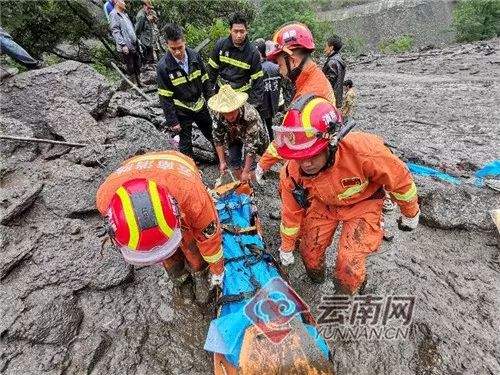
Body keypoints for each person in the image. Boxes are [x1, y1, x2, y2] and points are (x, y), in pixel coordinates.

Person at [274, 95, 420, 294]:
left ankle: (345, 293)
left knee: (348, 265)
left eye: (312, 155)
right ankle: (316, 280)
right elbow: (291, 213)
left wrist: (410, 213)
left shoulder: (364, 152)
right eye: (300, 156)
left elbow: (400, 179)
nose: (305, 163)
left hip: (364, 204)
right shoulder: (292, 172)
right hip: (323, 204)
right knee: (309, 252)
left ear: (332, 143)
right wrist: (287, 245)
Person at [95, 150, 224, 304]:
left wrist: (217, 270)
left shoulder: (192, 196)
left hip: (179, 170)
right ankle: (182, 281)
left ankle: (200, 273)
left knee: (192, 247)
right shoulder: (105, 199)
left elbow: (209, 239)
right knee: (164, 253)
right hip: (140, 170)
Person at [255, 22, 336, 183]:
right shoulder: (315, 78)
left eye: (279, 63)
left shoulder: (307, 96)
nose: (278, 69)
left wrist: (261, 165)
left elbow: (285, 139)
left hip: (314, 162)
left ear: (292, 60)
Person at [156, 23, 215, 160]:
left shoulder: (195, 57)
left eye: (180, 47)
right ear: (167, 45)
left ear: (184, 41)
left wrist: (212, 102)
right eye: (173, 49)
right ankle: (189, 168)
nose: (177, 52)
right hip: (181, 109)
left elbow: (205, 81)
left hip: (199, 104)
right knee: (185, 143)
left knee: (212, 132)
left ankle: (222, 158)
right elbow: (165, 97)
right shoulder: (163, 67)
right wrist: (172, 121)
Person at [208, 84, 269, 183]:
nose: (229, 116)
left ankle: (250, 182)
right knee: (234, 161)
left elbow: (251, 148)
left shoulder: (251, 115)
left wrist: (246, 171)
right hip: (233, 135)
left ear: (237, 107)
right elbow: (217, 139)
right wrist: (222, 162)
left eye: (232, 111)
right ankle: (242, 184)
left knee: (252, 166)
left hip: (253, 136)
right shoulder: (217, 114)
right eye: (225, 113)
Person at [207, 12, 264, 110]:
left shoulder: (252, 52)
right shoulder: (221, 45)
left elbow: (258, 81)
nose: (239, 35)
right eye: (235, 31)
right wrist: (209, 94)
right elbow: (211, 72)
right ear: (230, 30)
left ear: (247, 31)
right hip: (222, 94)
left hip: (241, 97)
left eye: (242, 31)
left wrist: (254, 104)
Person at [254, 39, 282, 140]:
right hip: (276, 104)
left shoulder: (256, 70)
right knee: (273, 128)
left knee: (262, 128)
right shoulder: (277, 67)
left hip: (262, 105)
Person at [110, 0, 142, 86]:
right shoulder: (114, 14)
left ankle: (140, 82)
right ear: (116, 2)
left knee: (137, 63)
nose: (124, 2)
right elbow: (115, 31)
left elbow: (130, 29)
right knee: (130, 65)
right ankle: (134, 85)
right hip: (125, 45)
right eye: (122, 1)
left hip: (133, 43)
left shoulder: (125, 14)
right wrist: (123, 44)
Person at [323, 35, 346, 109]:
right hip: (338, 98)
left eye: (326, 46)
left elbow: (328, 83)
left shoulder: (332, 62)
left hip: (331, 100)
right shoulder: (339, 60)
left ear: (331, 48)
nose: (324, 49)